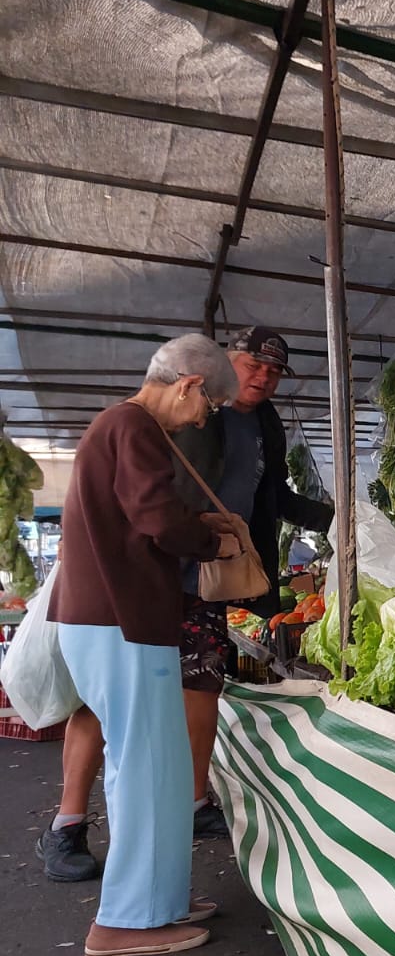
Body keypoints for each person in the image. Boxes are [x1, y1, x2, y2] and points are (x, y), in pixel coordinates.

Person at [37, 327, 335, 884]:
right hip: (145, 576)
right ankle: (67, 824)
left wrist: (337, 517)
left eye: (274, 372)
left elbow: (275, 498)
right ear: (217, 369)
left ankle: (195, 803)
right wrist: (196, 536)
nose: (262, 378)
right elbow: (150, 501)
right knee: (106, 701)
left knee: (202, 685)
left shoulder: (264, 425)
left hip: (209, 578)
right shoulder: (169, 416)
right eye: (253, 365)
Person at [47, 335, 242, 956]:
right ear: (188, 385)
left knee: (156, 768)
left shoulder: (118, 426)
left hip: (116, 621)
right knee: (145, 769)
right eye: (209, 403)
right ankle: (125, 920)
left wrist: (197, 528)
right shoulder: (132, 426)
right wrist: (214, 543)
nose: (205, 417)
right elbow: (157, 518)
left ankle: (159, 901)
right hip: (119, 622)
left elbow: (143, 518)